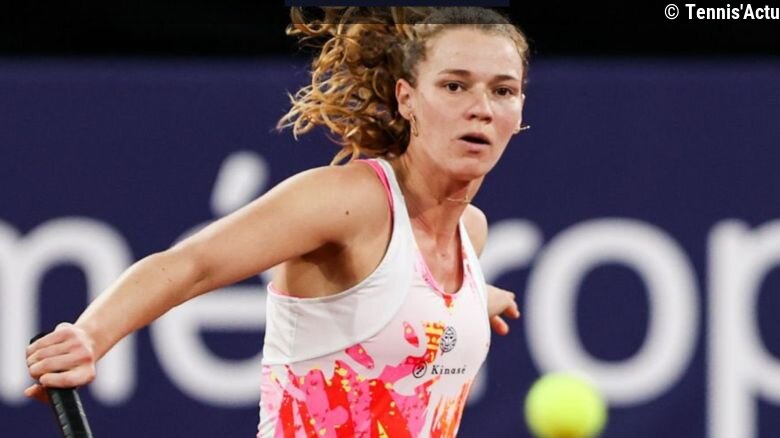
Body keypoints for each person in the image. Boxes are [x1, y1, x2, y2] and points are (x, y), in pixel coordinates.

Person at [26, 6, 528, 437]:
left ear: (521, 108)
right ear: (407, 98)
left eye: (503, 91)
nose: (481, 109)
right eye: (454, 85)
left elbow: (394, 299)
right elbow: (193, 264)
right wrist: (91, 335)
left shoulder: (470, 233)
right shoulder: (350, 202)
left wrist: (473, 299)